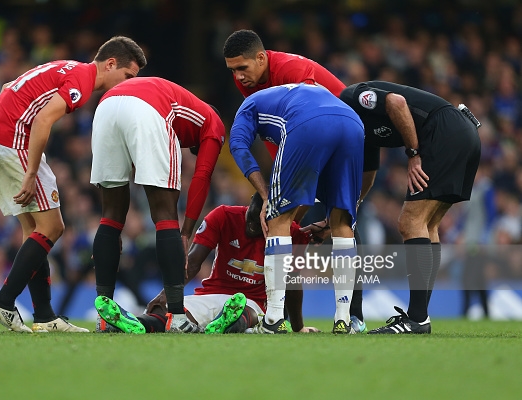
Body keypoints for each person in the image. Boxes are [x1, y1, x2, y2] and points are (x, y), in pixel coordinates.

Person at [0, 36, 147, 333]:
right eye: (127, 76)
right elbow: (44, 119)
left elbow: (10, 87)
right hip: (14, 142)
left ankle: (44, 317)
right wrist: (31, 172)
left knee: (34, 230)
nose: (127, 83)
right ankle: (4, 301)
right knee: (53, 227)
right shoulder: (82, 81)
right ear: (110, 64)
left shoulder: (68, 68)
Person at [223, 29, 367, 332]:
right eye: (232, 70)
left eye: (242, 68)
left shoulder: (272, 86)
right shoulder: (261, 89)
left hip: (317, 125)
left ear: (261, 58)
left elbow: (241, 148)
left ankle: (274, 318)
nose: (238, 77)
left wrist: (268, 198)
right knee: (342, 223)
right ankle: (345, 319)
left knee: (278, 220)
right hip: (352, 127)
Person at [340, 81, 481, 334]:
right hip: (464, 133)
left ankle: (416, 319)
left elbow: (396, 102)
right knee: (428, 225)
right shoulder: (359, 130)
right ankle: (419, 317)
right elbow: (370, 171)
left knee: (409, 221)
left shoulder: (352, 98)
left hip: (443, 132)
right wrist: (355, 202)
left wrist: (413, 154)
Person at [90, 76, 225, 333]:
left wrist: (109, 235)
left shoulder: (181, 103)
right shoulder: (213, 121)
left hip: (106, 106)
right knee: (165, 216)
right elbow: (202, 176)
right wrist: (186, 233)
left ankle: (104, 316)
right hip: (148, 109)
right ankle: (177, 317)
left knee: (110, 217)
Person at [95, 193, 321, 334]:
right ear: (247, 208)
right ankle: (129, 323)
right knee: (174, 318)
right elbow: (192, 262)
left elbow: (292, 283)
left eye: (258, 224)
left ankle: (230, 321)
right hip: (212, 293)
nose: (251, 227)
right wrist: (169, 294)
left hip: (253, 301)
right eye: (249, 218)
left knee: (250, 312)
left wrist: (298, 325)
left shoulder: (289, 235)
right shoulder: (223, 216)